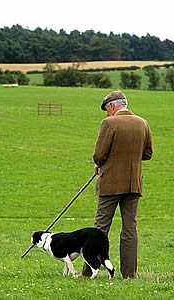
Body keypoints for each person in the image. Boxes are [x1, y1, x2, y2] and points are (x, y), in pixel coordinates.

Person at [82, 90, 153, 279]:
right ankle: (129, 275)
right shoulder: (143, 123)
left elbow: (99, 155)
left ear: (112, 106)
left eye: (106, 109)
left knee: (99, 229)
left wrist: (100, 164)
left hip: (110, 184)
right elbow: (147, 154)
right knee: (130, 229)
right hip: (134, 185)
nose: (106, 113)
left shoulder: (109, 123)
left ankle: (89, 272)